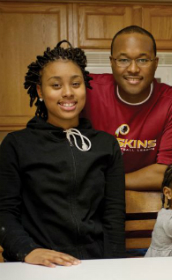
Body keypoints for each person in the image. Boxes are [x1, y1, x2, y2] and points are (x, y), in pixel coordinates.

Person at [0, 40, 126, 267]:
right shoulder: (16, 145)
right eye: (56, 85)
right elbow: (4, 212)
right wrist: (27, 251)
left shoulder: (106, 145)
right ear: (39, 90)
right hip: (36, 265)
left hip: (93, 264)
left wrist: (114, 267)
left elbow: (113, 216)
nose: (68, 93)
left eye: (75, 84)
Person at [82, 25, 172, 191]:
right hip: (91, 201)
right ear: (112, 62)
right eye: (123, 60)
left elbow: (165, 172)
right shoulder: (87, 89)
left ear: (155, 63)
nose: (133, 69)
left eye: (142, 60)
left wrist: (106, 181)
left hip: (147, 203)